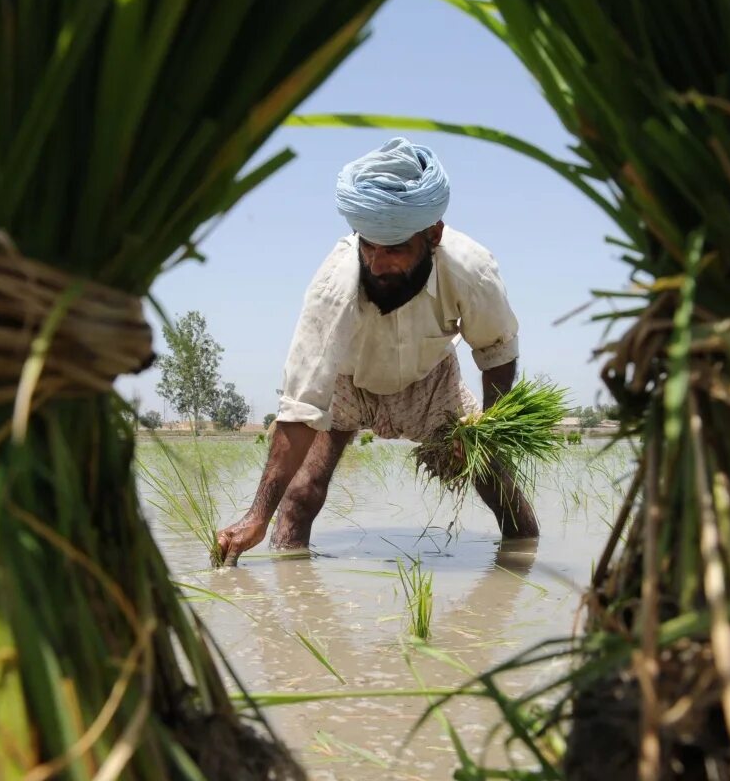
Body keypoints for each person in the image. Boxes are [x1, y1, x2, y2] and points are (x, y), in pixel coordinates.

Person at [215, 137, 538, 566]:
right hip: (351, 381)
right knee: (301, 493)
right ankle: (292, 595)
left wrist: (488, 432)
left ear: (433, 233)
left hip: (432, 381)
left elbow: (496, 351)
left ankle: (522, 564)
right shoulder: (333, 286)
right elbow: (300, 406)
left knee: (497, 481)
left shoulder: (470, 269)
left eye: (396, 249)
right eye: (369, 246)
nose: (379, 264)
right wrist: (257, 515)